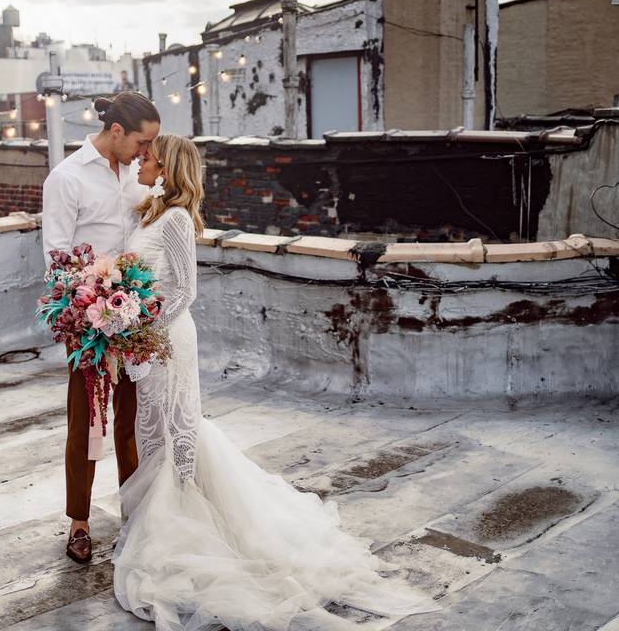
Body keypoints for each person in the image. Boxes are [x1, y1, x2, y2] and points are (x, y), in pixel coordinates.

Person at [112, 134, 440, 630]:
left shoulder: (176, 218)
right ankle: (156, 519)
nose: (140, 160)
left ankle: (185, 524)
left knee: (179, 427)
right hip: (146, 342)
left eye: (148, 156)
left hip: (168, 340)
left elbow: (185, 290)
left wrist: (147, 333)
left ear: (168, 166)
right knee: (151, 429)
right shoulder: (152, 210)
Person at [41, 91, 160, 564]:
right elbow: (56, 258)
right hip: (88, 320)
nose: (145, 151)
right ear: (116, 132)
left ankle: (136, 516)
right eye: (141, 141)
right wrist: (89, 303)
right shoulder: (66, 178)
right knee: (86, 426)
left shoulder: (137, 172)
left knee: (132, 424)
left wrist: (134, 298)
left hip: (135, 316)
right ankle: (79, 523)